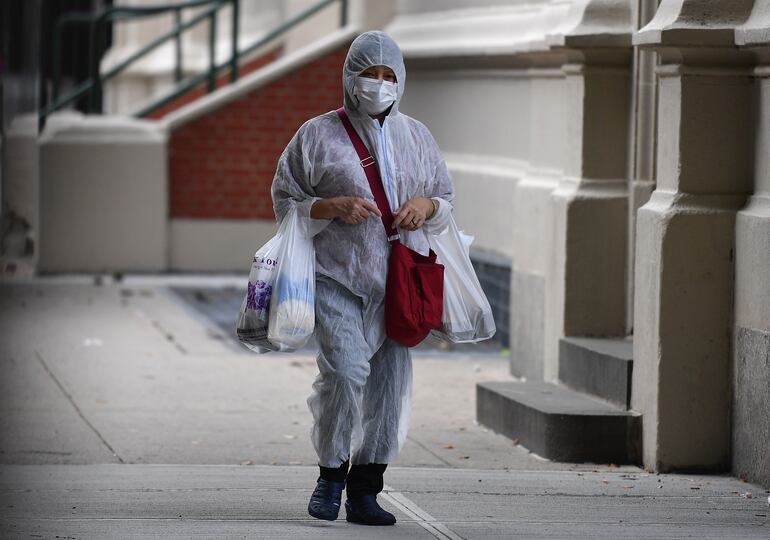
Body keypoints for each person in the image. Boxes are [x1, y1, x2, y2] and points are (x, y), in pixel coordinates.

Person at [270, 30, 454, 526]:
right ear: (350, 78)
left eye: (387, 76)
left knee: (390, 386)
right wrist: (328, 206)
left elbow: (444, 197)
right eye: (368, 74)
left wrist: (426, 206)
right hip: (337, 278)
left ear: (400, 81)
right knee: (346, 373)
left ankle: (367, 488)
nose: (377, 84)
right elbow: (285, 197)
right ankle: (331, 475)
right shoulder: (317, 135)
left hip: (398, 283)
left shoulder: (417, 136)